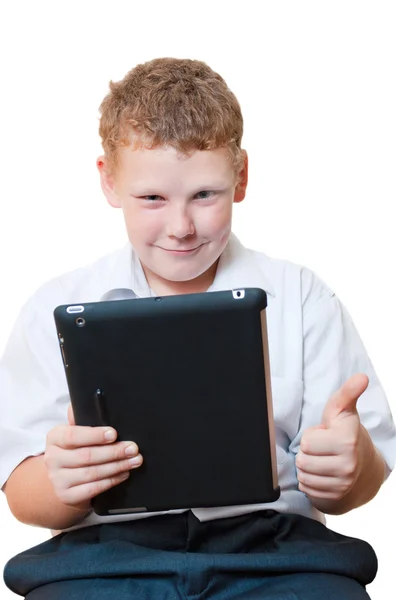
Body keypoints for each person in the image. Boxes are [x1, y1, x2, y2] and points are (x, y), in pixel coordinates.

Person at [1, 57, 395, 600]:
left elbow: (362, 476)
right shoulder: (57, 307)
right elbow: (22, 494)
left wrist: (353, 469)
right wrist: (62, 483)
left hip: (277, 555)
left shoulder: (302, 298)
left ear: (242, 177)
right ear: (109, 182)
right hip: (105, 561)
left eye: (205, 195)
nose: (181, 227)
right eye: (152, 199)